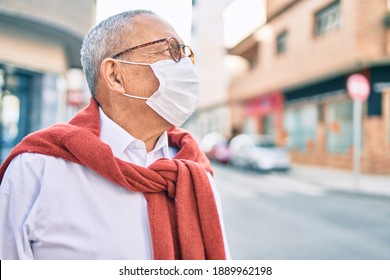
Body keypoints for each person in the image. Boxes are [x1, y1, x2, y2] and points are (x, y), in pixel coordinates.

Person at [0, 10, 230, 260]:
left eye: (185, 53)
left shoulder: (195, 170)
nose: (184, 64)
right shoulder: (37, 169)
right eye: (171, 50)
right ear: (114, 75)